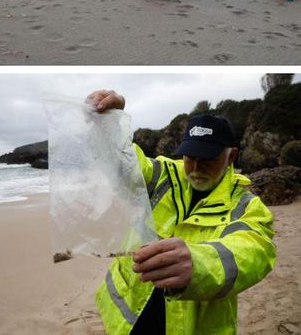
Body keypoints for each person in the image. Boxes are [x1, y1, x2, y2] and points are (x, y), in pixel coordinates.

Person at [88, 89, 276, 334]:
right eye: (190, 156)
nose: (196, 167)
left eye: (208, 158)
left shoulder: (248, 207)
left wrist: (198, 263)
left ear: (232, 157)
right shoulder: (164, 175)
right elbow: (124, 165)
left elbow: (254, 251)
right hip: (130, 323)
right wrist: (110, 125)